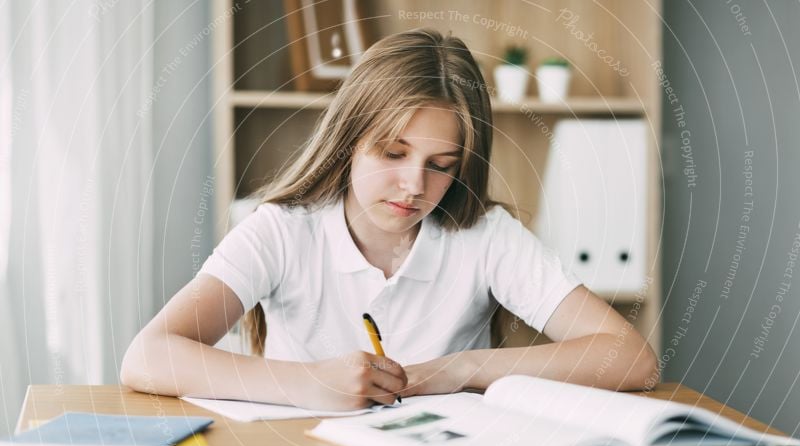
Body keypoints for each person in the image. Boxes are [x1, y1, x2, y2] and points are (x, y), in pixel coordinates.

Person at [120, 29, 659, 411]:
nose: (414, 187)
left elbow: (630, 358)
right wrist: (308, 383)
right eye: (392, 154)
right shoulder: (282, 229)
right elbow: (147, 356)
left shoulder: (485, 236)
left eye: (441, 166)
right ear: (349, 141)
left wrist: (458, 369)